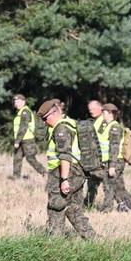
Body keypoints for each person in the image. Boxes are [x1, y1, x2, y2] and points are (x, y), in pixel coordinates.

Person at [39, 98, 96, 239]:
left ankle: (55, 244)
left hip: (64, 172)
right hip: (77, 171)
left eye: (45, 119)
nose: (45, 123)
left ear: (53, 113)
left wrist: (64, 179)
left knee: (55, 206)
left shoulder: (61, 128)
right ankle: (93, 239)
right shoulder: (70, 123)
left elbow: (65, 155)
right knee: (72, 208)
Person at [99, 103, 131, 212]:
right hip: (112, 161)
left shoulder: (114, 128)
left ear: (110, 113)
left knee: (108, 186)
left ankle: (106, 210)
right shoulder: (107, 126)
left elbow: (114, 147)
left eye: (104, 112)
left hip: (115, 162)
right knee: (119, 188)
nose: (102, 114)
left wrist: (112, 166)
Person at [10, 94, 46, 178]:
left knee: (30, 158)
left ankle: (44, 172)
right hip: (22, 139)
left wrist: (17, 141)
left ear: (24, 102)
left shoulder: (25, 112)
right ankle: (16, 177)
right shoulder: (21, 112)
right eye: (15, 102)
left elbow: (23, 127)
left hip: (27, 140)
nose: (16, 104)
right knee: (17, 158)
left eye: (18, 102)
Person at [83, 99, 108, 210]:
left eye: (93, 109)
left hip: (104, 159)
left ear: (101, 108)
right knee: (92, 184)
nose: (91, 111)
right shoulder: (96, 121)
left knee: (110, 185)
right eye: (90, 109)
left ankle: (124, 204)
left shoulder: (104, 121)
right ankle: (87, 205)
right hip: (96, 160)